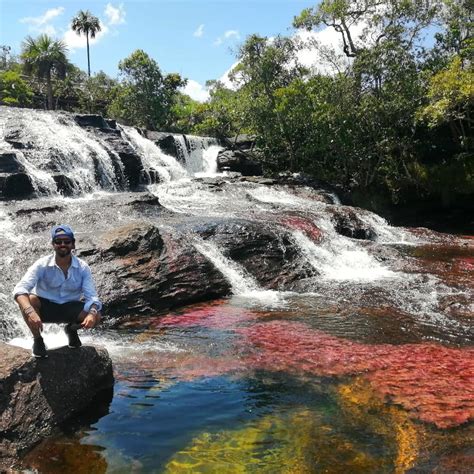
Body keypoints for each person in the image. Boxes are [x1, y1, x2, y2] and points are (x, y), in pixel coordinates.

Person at [13, 224, 101, 358]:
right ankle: (38, 340)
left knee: (96, 314)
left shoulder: (83, 268)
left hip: (69, 309)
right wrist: (30, 311)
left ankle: (71, 330)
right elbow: (20, 289)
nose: (62, 244)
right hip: (45, 309)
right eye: (58, 242)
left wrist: (92, 314)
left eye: (67, 241)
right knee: (29, 300)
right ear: (53, 244)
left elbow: (92, 297)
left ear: (73, 244)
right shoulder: (41, 264)